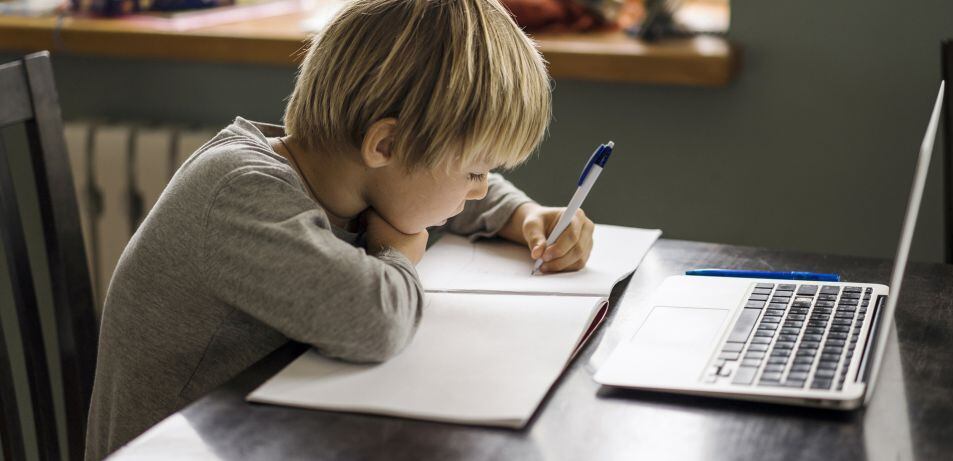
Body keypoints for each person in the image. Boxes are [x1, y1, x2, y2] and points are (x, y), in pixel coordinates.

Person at [84, 0, 595, 458]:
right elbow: (372, 322)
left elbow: (434, 191)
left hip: (265, 432)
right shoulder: (240, 192)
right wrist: (398, 255)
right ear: (386, 146)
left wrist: (522, 215)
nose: (481, 189)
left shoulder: (341, 172)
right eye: (476, 171)